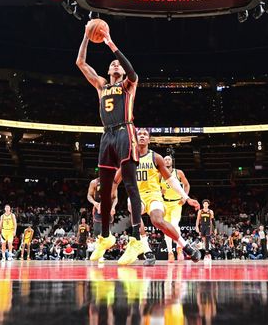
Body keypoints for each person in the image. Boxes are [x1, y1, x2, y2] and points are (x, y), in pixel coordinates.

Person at [76, 23, 143, 261]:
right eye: (112, 63)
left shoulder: (128, 85)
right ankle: (105, 237)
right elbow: (81, 64)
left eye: (118, 64)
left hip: (126, 132)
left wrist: (110, 43)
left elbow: (133, 72)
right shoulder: (101, 85)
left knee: (130, 184)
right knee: (106, 190)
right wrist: (86, 36)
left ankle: (136, 240)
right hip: (107, 135)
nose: (115, 65)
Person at [114, 128, 201, 265]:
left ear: (149, 139)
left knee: (157, 221)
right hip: (137, 196)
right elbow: (115, 181)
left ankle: (186, 246)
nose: (142, 136)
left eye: (145, 134)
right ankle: (148, 252)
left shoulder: (156, 157)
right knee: (133, 206)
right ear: (135, 139)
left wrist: (186, 197)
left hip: (154, 195)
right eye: (139, 134)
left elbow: (171, 180)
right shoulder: (128, 159)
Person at [160, 152, 191, 262]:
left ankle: (179, 248)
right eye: (165, 159)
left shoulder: (178, 173)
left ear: (172, 162)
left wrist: (185, 197)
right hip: (164, 203)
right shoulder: (159, 174)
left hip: (176, 203)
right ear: (162, 162)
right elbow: (155, 188)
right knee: (165, 229)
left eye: (169, 159)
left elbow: (187, 185)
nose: (167, 161)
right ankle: (170, 252)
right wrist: (160, 191)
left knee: (174, 225)